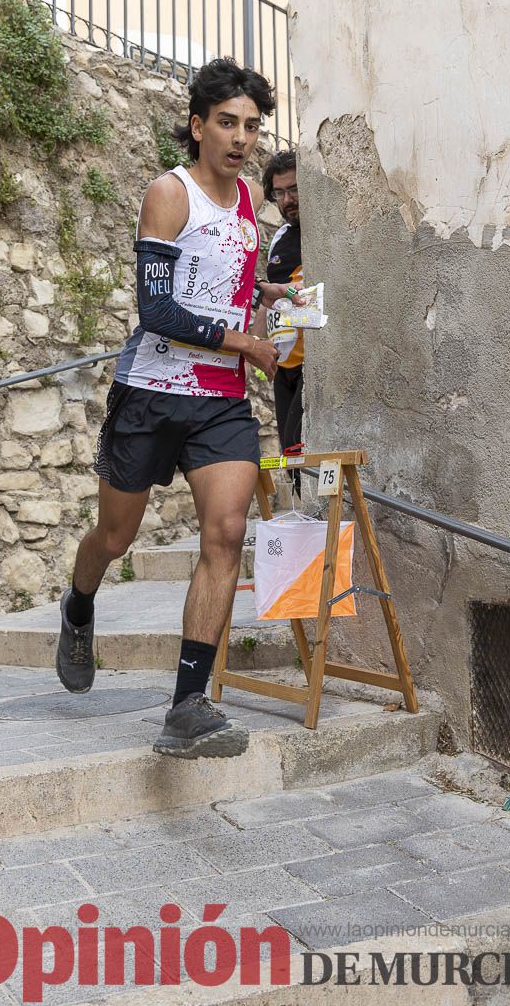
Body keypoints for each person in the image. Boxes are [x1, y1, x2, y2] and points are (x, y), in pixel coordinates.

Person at [54, 58, 294, 760]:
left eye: (252, 125)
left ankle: (188, 704)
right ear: (198, 126)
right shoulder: (170, 192)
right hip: (153, 394)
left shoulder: (251, 204)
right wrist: (243, 341)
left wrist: (276, 304)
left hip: (220, 403)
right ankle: (79, 604)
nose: (241, 137)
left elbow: (230, 291)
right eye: (227, 122)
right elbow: (155, 308)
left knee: (224, 537)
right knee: (115, 537)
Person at [262, 150, 304, 481]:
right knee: (287, 458)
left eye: (294, 190)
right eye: (279, 193)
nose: (287, 200)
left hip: (311, 364)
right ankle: (301, 523)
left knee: (297, 446)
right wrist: (255, 344)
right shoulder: (279, 237)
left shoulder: (320, 233)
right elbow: (268, 299)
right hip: (282, 364)